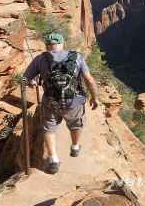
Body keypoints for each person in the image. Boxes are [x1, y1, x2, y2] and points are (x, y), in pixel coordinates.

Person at [23, 32, 100, 174]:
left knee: (49, 128)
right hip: (75, 102)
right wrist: (95, 97)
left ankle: (53, 160)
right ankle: (75, 147)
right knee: (76, 124)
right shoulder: (77, 57)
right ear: (62, 43)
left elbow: (25, 78)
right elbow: (89, 79)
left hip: (51, 102)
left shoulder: (40, 59)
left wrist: (32, 81)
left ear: (47, 45)